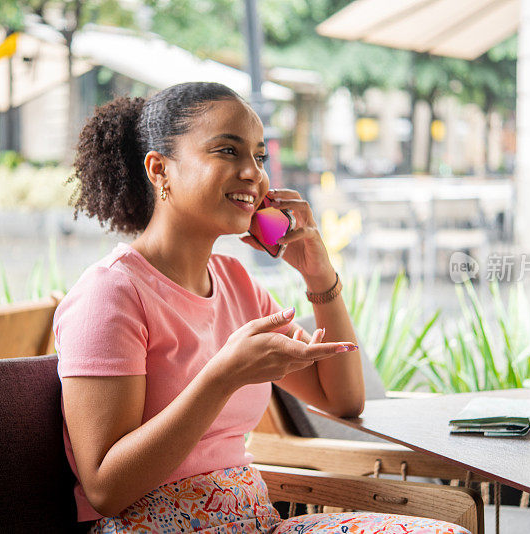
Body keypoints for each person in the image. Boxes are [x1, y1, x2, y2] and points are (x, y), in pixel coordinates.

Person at [54, 81, 469, 534]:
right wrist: (222, 376)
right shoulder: (111, 294)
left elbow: (343, 400)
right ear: (159, 170)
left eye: (259, 155)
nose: (254, 173)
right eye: (227, 151)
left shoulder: (236, 283)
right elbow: (105, 488)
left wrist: (318, 277)